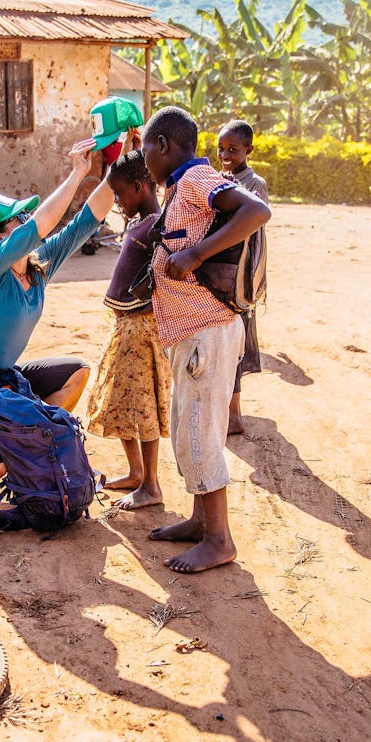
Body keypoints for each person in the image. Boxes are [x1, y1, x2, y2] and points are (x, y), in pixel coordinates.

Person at [0, 139, 116, 490]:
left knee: (77, 373)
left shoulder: (39, 266)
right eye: (20, 219)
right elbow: (40, 227)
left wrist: (121, 166)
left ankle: (29, 441)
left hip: (1, 380)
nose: (29, 220)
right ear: (0, 238)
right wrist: (78, 173)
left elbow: (88, 220)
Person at [140, 106, 271, 573]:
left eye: (144, 148)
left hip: (206, 332)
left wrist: (195, 253)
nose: (143, 158)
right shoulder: (182, 187)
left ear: (162, 146)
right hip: (193, 335)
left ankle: (219, 540)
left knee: (199, 434)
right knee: (188, 429)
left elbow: (257, 211)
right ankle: (200, 521)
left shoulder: (196, 179)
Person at [85, 149, 169, 510]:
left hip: (142, 330)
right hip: (126, 326)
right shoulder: (141, 224)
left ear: (139, 186)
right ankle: (137, 474)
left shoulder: (159, 224)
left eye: (120, 194)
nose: (117, 202)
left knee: (144, 407)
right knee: (124, 402)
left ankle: (150, 485)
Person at [216, 119, 270, 434]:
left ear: (248, 149)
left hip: (241, 278)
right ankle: (225, 410)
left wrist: (252, 283)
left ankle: (234, 414)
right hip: (224, 274)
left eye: (233, 150)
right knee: (224, 346)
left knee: (235, 349)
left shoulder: (254, 184)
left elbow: (253, 234)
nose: (226, 154)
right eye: (221, 148)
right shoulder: (220, 178)